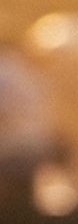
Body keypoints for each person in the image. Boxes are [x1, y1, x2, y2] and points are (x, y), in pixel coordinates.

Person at [0, 44, 58, 212]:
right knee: (24, 196)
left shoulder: (5, 71)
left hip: (11, 148)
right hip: (37, 145)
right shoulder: (28, 71)